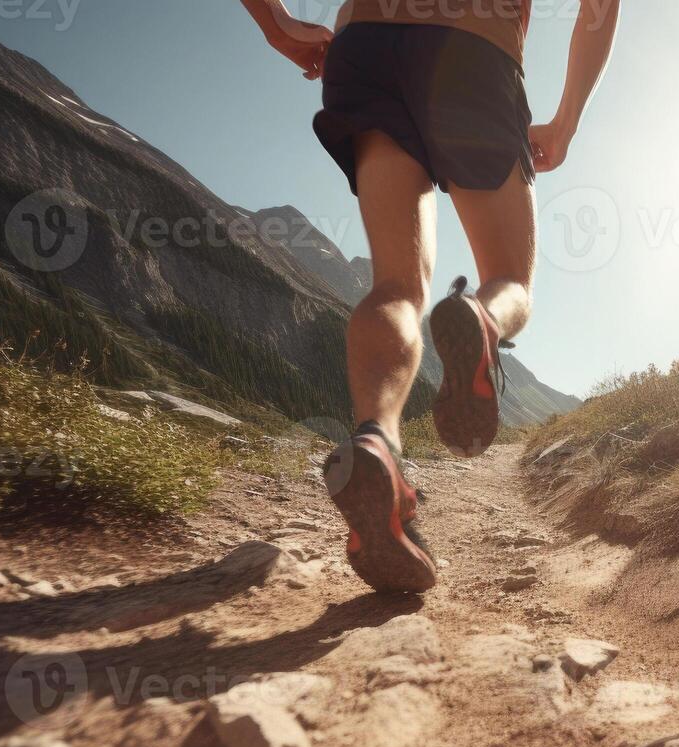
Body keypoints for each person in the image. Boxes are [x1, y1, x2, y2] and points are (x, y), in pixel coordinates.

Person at [238, 0, 620, 593]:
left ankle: (378, 442)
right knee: (510, 280)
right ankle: (483, 320)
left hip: (365, 48)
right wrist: (565, 121)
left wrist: (277, 23)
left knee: (396, 285)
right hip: (474, 46)